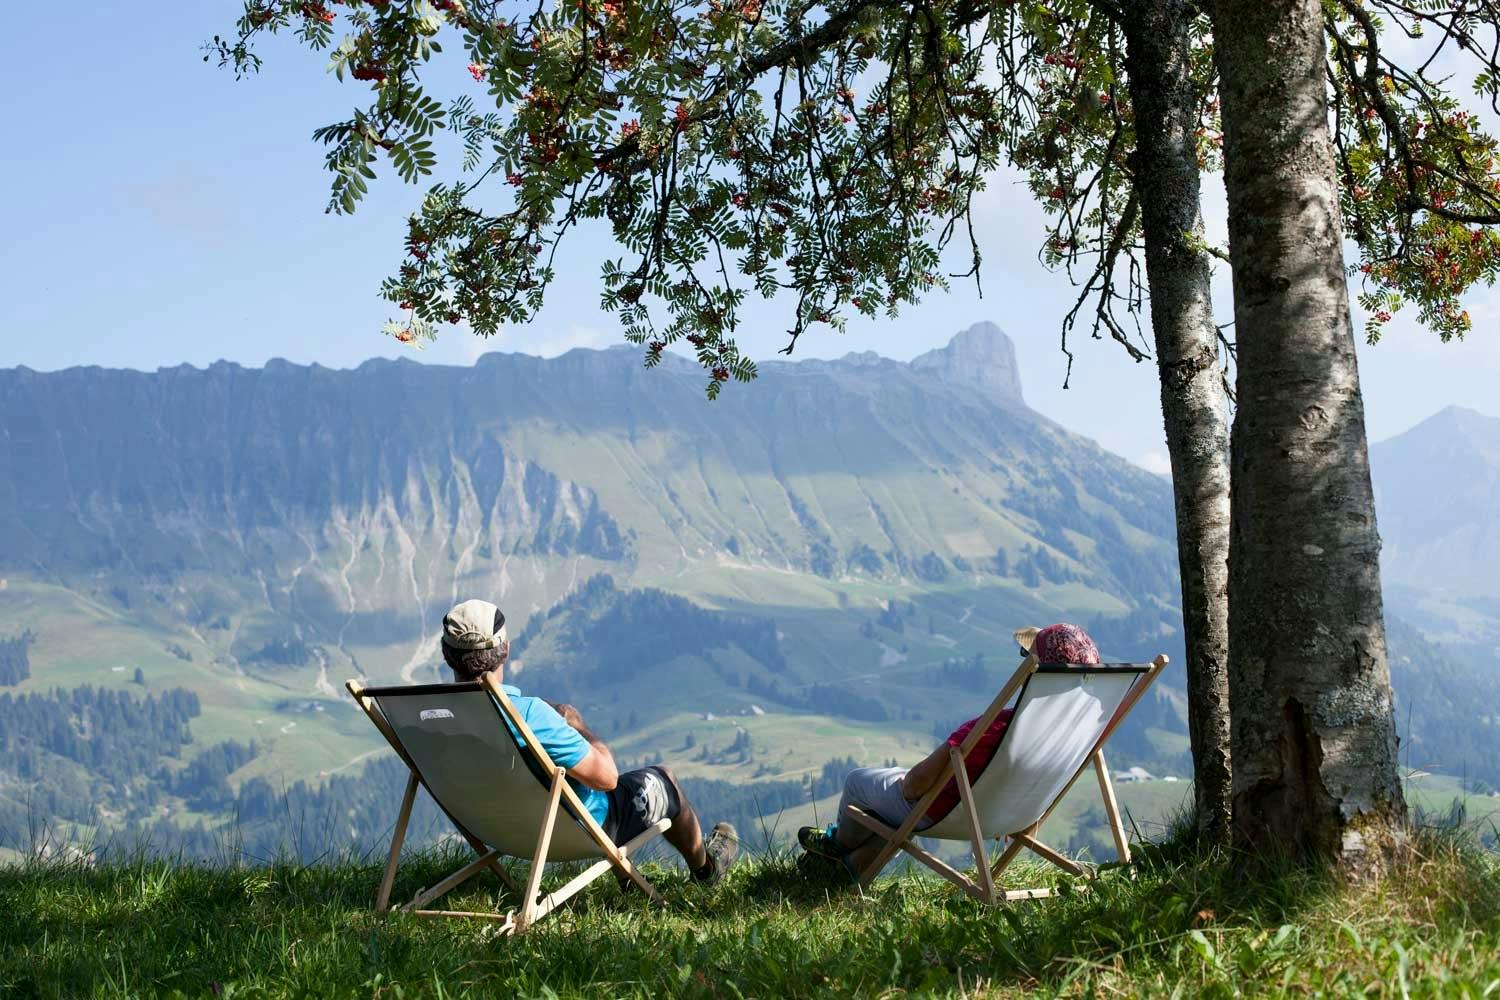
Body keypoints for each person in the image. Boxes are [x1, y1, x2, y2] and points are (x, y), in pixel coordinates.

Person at [440, 598, 739, 884]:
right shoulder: (530, 715)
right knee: (665, 780)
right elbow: (606, 778)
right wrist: (578, 724)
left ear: (446, 653)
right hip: (570, 830)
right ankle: (705, 870)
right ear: (505, 650)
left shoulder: (435, 715)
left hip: (496, 830)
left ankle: (629, 879)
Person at [797, 622, 1102, 878]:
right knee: (895, 811)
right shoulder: (1077, 735)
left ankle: (835, 846)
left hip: (943, 812)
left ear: (1035, 672)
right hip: (1010, 816)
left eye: (1026, 655)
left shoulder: (993, 728)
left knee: (859, 783)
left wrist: (905, 784)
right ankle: (846, 869)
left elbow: (916, 786)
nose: (1021, 659)